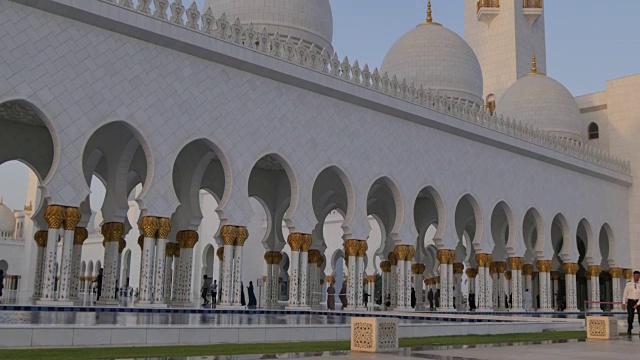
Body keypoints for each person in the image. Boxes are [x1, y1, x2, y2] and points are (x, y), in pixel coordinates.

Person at [622, 270, 640, 336]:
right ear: (633, 276)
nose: (636, 277)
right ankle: (629, 328)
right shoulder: (629, 284)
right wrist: (624, 302)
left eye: (638, 276)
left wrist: (637, 304)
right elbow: (625, 293)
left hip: (638, 301)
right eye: (635, 275)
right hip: (630, 301)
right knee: (630, 316)